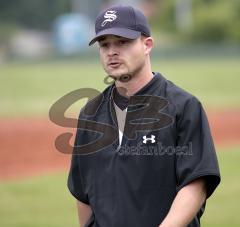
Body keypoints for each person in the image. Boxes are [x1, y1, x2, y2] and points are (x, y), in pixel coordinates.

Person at [67, 5, 220, 227]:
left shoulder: (182, 106)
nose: (112, 52)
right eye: (105, 44)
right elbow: (83, 192)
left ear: (147, 44)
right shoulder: (90, 114)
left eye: (122, 42)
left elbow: (196, 183)